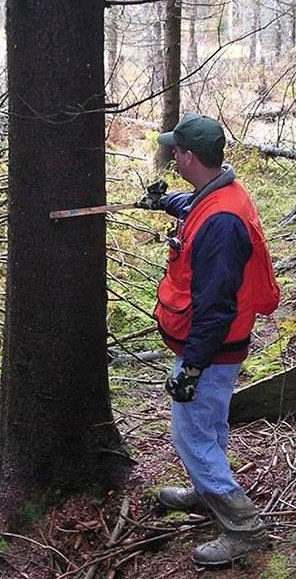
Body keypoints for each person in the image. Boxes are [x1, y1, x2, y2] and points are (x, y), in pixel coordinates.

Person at [136, 112, 280, 567]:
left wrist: (193, 367)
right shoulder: (221, 192)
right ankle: (205, 491)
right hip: (220, 346)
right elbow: (198, 205)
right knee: (211, 423)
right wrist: (166, 203)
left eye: (175, 150)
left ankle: (244, 528)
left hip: (212, 348)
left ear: (190, 156)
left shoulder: (221, 223)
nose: (172, 154)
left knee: (192, 434)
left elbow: (215, 306)